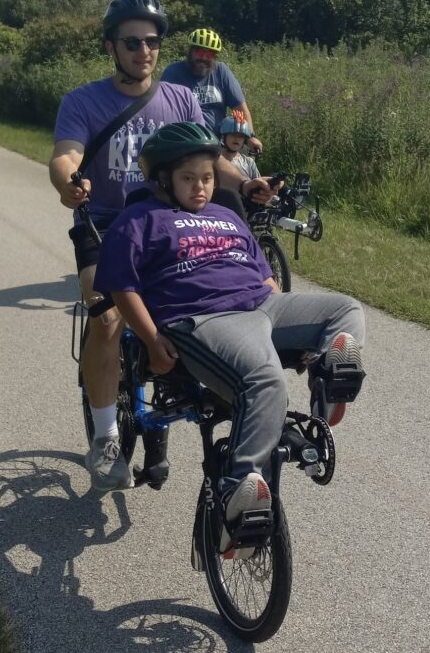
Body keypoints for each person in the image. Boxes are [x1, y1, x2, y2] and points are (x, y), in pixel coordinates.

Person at [93, 121, 365, 554]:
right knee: (267, 381)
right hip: (204, 317)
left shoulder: (225, 215)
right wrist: (149, 338)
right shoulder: (139, 220)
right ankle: (237, 492)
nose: (201, 188)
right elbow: (122, 287)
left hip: (261, 305)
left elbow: (264, 277)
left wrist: (292, 326)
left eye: (207, 177)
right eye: (188, 178)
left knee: (345, 309)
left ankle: (325, 395)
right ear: (163, 179)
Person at [49, 0, 279, 492]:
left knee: (216, 304)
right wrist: (70, 181)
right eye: (133, 41)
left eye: (152, 42)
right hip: (108, 225)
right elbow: (65, 155)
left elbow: (208, 162)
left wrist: (244, 184)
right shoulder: (83, 102)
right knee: (107, 317)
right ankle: (107, 435)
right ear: (112, 46)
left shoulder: (181, 99)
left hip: (171, 225)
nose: (144, 51)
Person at [160, 28, 263, 153]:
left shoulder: (221, 72)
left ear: (214, 57)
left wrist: (251, 137)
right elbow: (162, 111)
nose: (203, 57)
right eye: (199, 52)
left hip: (218, 144)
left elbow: (240, 107)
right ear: (190, 51)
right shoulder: (173, 72)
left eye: (209, 54)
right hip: (185, 144)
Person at [216, 110, 259, 181]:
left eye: (240, 136)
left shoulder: (249, 162)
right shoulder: (214, 160)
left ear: (244, 140)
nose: (236, 138)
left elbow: (257, 184)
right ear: (224, 137)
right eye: (233, 134)